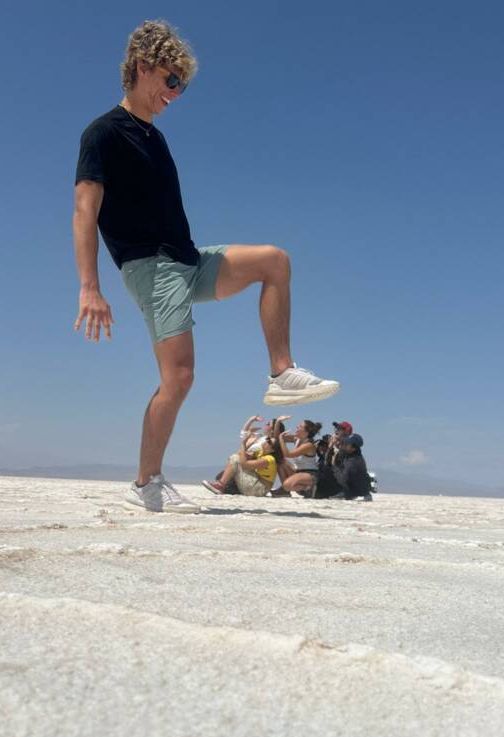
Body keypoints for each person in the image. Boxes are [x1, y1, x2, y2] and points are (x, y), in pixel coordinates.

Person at [73, 20, 340, 514]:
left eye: (183, 85)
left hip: (188, 260)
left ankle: (281, 373)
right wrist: (90, 286)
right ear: (141, 66)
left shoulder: (155, 139)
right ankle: (145, 483)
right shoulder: (104, 133)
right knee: (179, 378)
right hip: (152, 268)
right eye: (171, 80)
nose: (176, 93)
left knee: (274, 261)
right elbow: (84, 212)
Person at [202, 434, 280, 497]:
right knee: (222, 474)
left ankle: (220, 486)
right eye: (268, 439)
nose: (266, 441)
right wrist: (248, 445)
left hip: (259, 489)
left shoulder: (269, 459)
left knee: (235, 459)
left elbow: (244, 464)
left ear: (272, 450)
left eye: (269, 442)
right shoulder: (260, 453)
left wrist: (243, 444)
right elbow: (240, 454)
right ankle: (222, 485)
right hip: (255, 484)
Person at [271, 417, 322, 497]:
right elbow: (277, 437)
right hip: (298, 471)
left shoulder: (308, 445)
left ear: (306, 432)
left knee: (287, 485)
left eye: (300, 426)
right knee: (281, 463)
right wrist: (278, 422)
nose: (297, 427)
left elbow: (288, 454)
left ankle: (308, 488)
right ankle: (286, 491)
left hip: (310, 474)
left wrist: (281, 440)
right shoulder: (296, 439)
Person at [333, 433, 373, 500]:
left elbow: (342, 480)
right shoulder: (354, 455)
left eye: (346, 444)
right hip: (361, 489)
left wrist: (334, 465)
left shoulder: (352, 462)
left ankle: (350, 494)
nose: (343, 445)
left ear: (353, 448)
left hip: (356, 491)